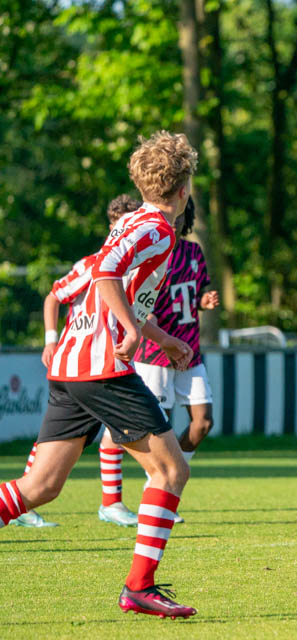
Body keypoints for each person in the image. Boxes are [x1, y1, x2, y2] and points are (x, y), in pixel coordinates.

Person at [0, 131, 200, 618]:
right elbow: (106, 273)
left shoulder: (133, 220)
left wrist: (161, 338)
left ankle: (140, 587)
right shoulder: (157, 230)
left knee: (41, 486)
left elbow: (116, 287)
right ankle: (139, 588)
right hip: (101, 366)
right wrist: (131, 329)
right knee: (171, 470)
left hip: (73, 363)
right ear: (183, 190)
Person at [15, 195, 146, 529]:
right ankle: (110, 504)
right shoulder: (92, 265)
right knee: (58, 443)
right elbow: (53, 297)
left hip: (107, 364)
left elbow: (140, 315)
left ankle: (111, 503)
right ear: (113, 227)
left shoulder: (136, 268)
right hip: (83, 365)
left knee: (79, 439)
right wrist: (50, 339)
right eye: (120, 225)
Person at [134, 195, 219, 524]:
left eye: (182, 214)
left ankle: (167, 480)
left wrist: (205, 300)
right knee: (162, 427)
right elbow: (140, 305)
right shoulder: (151, 254)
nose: (175, 219)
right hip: (156, 352)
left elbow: (196, 293)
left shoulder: (194, 252)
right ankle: (161, 487)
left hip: (190, 350)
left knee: (203, 422)